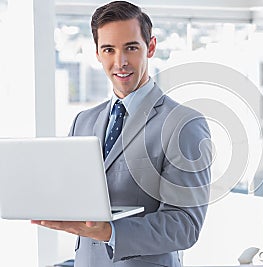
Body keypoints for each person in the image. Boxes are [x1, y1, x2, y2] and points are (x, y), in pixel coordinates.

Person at [32, 1, 212, 267]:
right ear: (97, 53)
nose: (121, 62)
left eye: (131, 47)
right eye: (109, 50)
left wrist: (110, 232)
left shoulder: (183, 124)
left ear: (150, 47)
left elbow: (184, 225)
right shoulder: (83, 122)